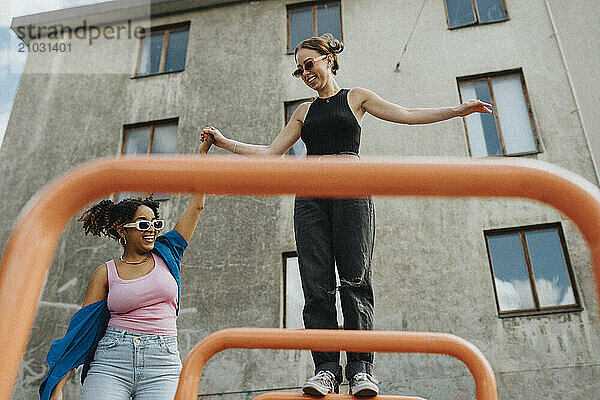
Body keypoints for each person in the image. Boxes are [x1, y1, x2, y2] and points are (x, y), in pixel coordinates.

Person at [200, 33, 491, 397]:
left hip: (352, 193)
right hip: (310, 198)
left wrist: (456, 110)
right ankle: (325, 369)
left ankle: (360, 370)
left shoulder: (357, 98)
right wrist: (225, 142)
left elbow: (407, 115)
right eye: (299, 68)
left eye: (310, 64)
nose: (306, 72)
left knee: (355, 281)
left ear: (328, 60)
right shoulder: (303, 112)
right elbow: (271, 153)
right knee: (316, 285)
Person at [40, 142, 211, 400]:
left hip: (162, 364)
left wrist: (202, 157)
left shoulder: (169, 252)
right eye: (143, 224)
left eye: (155, 223)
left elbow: (196, 207)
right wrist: (59, 385)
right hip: (111, 361)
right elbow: (81, 329)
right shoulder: (105, 273)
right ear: (123, 230)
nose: (152, 229)